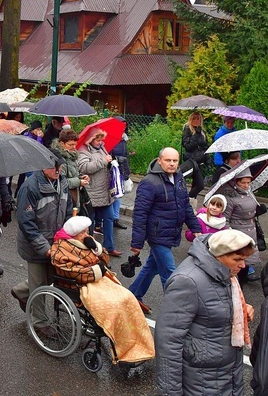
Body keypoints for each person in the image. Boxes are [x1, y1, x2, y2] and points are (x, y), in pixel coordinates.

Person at [156, 230, 256, 395]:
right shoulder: (188, 281)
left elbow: (215, 305)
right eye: (237, 259)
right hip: (200, 381)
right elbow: (168, 342)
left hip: (227, 374)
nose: (242, 266)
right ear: (218, 255)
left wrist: (242, 309)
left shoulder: (225, 273)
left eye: (244, 260)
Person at [49, 216, 155, 363]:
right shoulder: (60, 248)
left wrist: (97, 249)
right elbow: (70, 271)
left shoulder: (86, 241)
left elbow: (105, 260)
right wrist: (95, 271)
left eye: (87, 231)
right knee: (114, 307)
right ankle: (123, 349)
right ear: (73, 234)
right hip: (82, 285)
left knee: (129, 298)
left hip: (101, 280)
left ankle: (140, 344)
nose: (87, 235)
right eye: (83, 233)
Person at [128, 147, 200, 312]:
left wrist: (195, 227)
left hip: (171, 232)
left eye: (175, 160)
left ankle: (133, 294)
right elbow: (140, 213)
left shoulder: (179, 178)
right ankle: (177, 310)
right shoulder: (149, 182)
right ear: (159, 161)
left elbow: (185, 205)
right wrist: (137, 243)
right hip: (157, 235)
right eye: (168, 160)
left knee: (152, 266)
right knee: (170, 272)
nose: (172, 164)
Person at [10, 160, 74, 317]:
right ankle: (40, 322)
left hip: (56, 243)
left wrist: (65, 237)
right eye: (53, 167)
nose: (58, 170)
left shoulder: (63, 183)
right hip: (35, 246)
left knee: (51, 277)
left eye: (60, 167)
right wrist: (44, 248)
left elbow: (68, 210)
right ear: (42, 166)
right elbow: (27, 223)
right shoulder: (29, 187)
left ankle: (21, 291)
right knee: (39, 285)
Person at [77, 127, 123, 256]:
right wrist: (104, 161)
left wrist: (111, 163)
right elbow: (84, 167)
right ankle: (90, 248)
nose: (100, 142)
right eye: (97, 139)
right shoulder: (83, 151)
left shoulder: (102, 149)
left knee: (109, 219)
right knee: (90, 222)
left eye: (102, 139)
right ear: (90, 139)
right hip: (92, 192)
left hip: (105, 192)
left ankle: (109, 247)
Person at [220, 168, 262, 282]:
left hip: (250, 233)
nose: (246, 185)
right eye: (243, 182)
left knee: (246, 264)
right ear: (236, 182)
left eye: (248, 182)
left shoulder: (250, 193)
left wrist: (258, 210)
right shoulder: (230, 197)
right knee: (235, 266)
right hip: (238, 233)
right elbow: (225, 219)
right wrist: (230, 234)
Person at [51, 129, 90, 209]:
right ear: (62, 143)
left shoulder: (71, 156)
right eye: (71, 145)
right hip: (64, 200)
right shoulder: (59, 158)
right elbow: (60, 181)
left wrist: (81, 177)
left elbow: (72, 174)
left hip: (73, 198)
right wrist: (79, 182)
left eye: (75, 144)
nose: (74, 147)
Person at [180, 111, 208, 199]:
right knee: (200, 185)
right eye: (194, 119)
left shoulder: (202, 131)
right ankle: (186, 200)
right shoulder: (187, 129)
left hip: (200, 161)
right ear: (190, 120)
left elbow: (205, 146)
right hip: (191, 161)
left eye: (198, 119)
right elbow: (187, 146)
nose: (196, 121)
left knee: (196, 185)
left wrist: (207, 159)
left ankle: (190, 203)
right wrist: (196, 135)